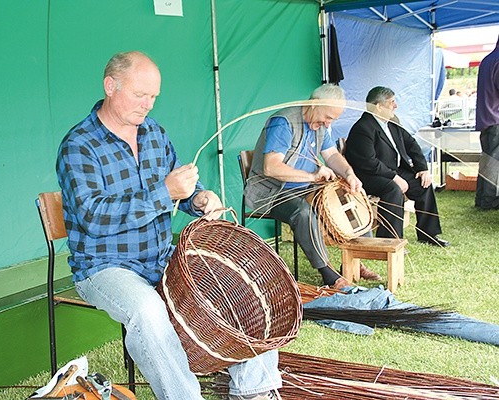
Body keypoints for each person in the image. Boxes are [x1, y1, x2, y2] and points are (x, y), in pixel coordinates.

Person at [56, 51, 281, 400]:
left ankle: (255, 391)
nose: (147, 105)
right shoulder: (79, 146)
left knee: (236, 288)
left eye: (153, 97)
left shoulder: (154, 135)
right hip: (105, 267)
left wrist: (200, 199)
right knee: (148, 310)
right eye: (139, 94)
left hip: (159, 257)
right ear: (110, 86)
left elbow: (183, 188)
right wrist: (164, 193)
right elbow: (93, 218)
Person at [244, 84, 381, 290]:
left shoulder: (320, 126)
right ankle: (329, 275)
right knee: (303, 212)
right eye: (328, 117)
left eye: (332, 120)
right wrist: (312, 175)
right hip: (272, 192)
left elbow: (332, 156)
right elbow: (271, 167)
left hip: (303, 188)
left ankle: (355, 261)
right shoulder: (283, 122)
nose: (328, 123)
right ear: (314, 104)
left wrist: (350, 174)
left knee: (349, 196)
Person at [344, 86, 449, 247]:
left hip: (392, 172)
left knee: (424, 183)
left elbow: (412, 145)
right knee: (393, 188)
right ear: (378, 106)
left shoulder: (392, 124)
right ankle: (390, 240)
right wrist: (394, 177)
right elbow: (369, 162)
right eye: (391, 102)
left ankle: (429, 234)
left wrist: (423, 169)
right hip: (368, 176)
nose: (396, 105)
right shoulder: (363, 128)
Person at [475, 35, 499, 210]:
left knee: (487, 161)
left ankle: (482, 199)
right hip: (496, 118)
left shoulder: (488, 59)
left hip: (487, 119)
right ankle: (489, 201)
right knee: (493, 163)